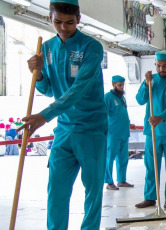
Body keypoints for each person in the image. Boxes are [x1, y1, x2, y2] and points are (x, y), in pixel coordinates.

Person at [21, 0, 108, 228]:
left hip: (91, 130)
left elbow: (78, 90)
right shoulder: (47, 48)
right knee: (56, 190)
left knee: (92, 191)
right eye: (57, 22)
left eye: (69, 23)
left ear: (78, 20)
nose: (63, 27)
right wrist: (38, 74)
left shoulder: (91, 47)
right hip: (64, 129)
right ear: (50, 18)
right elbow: (49, 89)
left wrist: (44, 116)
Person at [135, 50, 166, 209]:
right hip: (152, 132)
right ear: (155, 65)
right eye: (159, 66)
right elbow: (140, 100)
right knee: (151, 166)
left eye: (165, 66)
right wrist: (145, 84)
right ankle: (150, 197)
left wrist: (161, 117)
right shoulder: (151, 80)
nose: (161, 68)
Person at [104, 75, 135, 190]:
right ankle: (109, 182)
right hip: (113, 134)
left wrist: (129, 124)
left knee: (123, 158)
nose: (121, 87)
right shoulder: (107, 98)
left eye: (122, 85)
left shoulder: (122, 98)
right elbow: (104, 115)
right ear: (113, 84)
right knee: (109, 158)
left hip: (124, 133)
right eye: (119, 85)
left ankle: (121, 180)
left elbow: (122, 114)